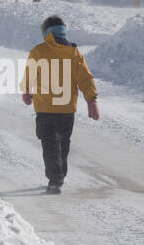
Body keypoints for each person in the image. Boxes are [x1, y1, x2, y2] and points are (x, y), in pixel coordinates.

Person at [20, 15, 100, 194]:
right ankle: (60, 176)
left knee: (50, 143)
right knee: (63, 143)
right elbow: (85, 79)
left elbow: (29, 74)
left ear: (46, 33)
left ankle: (55, 180)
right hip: (66, 109)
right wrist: (91, 101)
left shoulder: (38, 51)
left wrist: (26, 91)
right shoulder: (74, 53)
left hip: (45, 109)